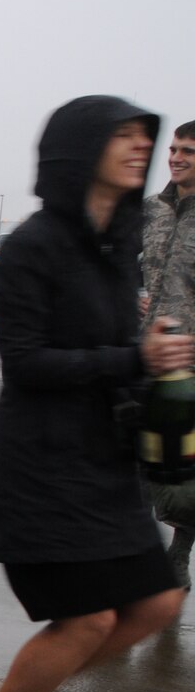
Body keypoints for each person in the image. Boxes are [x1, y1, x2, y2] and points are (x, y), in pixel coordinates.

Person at [0, 98, 193, 692]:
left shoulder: (115, 242)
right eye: (120, 136)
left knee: (156, 602)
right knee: (89, 618)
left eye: (142, 138)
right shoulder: (35, 246)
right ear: (79, 149)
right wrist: (135, 359)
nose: (139, 148)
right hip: (42, 464)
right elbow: (26, 363)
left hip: (104, 457)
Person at [142, 119, 195, 588]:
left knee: (184, 475)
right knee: (135, 458)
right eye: (175, 149)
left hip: (191, 365)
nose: (176, 157)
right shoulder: (150, 211)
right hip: (144, 353)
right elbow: (119, 263)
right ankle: (136, 550)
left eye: (189, 152)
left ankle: (178, 557)